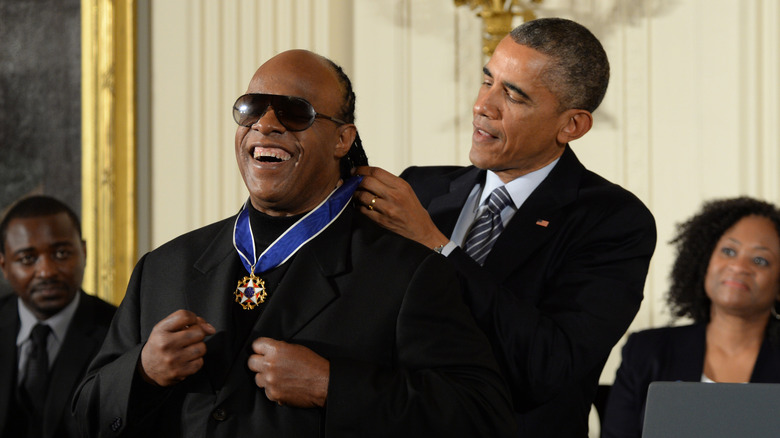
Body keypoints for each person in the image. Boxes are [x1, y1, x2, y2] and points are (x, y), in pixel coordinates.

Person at [72, 49, 516, 437]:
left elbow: (481, 416)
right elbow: (81, 417)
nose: (266, 124)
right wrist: (143, 373)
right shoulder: (164, 267)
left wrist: (333, 387)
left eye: (294, 112)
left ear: (343, 139)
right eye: (251, 109)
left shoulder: (408, 272)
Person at [354, 17, 657, 436]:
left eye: (513, 95)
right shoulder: (419, 187)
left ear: (572, 125)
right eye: (487, 81)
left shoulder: (614, 221)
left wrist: (437, 245)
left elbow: (547, 365)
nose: (483, 105)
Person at [601, 196, 780, 437]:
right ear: (704, 261)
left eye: (760, 259)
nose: (739, 266)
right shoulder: (646, 351)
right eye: (728, 251)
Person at [0, 195, 117, 437]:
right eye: (27, 259)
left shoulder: (117, 330)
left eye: (62, 254)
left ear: (83, 252)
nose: (46, 271)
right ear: (4, 266)